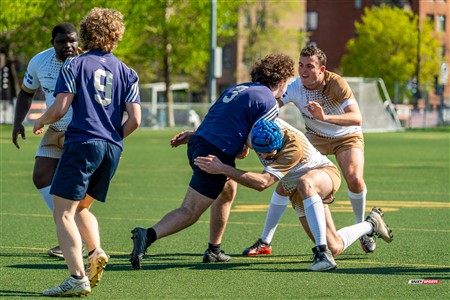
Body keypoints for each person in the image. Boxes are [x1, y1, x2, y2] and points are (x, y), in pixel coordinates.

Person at [129, 53, 295, 270]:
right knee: (190, 211)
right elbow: (258, 139)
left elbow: (221, 118)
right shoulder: (269, 101)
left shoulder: (239, 88)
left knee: (227, 190)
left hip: (200, 142)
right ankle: (148, 235)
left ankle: (214, 250)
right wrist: (255, 148)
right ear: (282, 82)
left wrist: (197, 135)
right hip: (215, 153)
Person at [34, 8, 141, 297]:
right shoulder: (128, 71)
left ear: (85, 33)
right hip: (112, 147)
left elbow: (60, 107)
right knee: (81, 207)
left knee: (63, 213)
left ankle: (77, 277)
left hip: (82, 143)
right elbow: (135, 120)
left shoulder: (74, 65)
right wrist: (112, 138)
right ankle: (95, 252)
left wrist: (41, 121)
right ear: (117, 35)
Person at [194, 119, 393, 271]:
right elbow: (227, 127)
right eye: (262, 154)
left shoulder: (292, 148)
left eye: (271, 155)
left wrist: (223, 168)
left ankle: (321, 254)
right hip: (299, 191)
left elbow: (262, 183)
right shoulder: (255, 132)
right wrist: (195, 135)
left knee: (303, 182)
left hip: (324, 174)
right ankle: (371, 224)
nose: (266, 158)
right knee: (335, 246)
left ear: (278, 145)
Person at [243, 45, 376, 256]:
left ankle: (363, 230)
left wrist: (325, 118)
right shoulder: (295, 87)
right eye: (301, 65)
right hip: (315, 137)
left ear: (322, 69)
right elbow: (270, 106)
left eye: (310, 66)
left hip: (345, 136)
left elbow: (356, 118)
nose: (303, 71)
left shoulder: (336, 84)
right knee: (285, 184)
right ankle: (265, 241)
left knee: (354, 177)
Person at [12, 23, 79, 258]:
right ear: (53, 43)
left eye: (72, 40)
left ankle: (76, 237)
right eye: (62, 41)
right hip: (54, 127)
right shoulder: (39, 61)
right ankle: (71, 231)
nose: (68, 46)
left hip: (80, 132)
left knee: (72, 188)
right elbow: (26, 92)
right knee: (41, 175)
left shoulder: (86, 62)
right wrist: (17, 121)